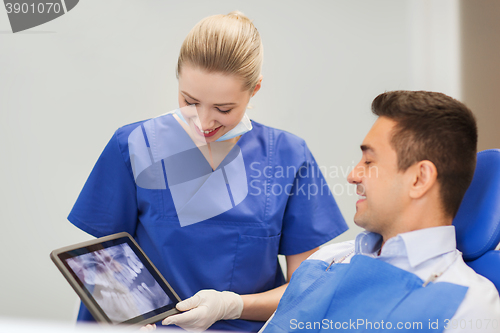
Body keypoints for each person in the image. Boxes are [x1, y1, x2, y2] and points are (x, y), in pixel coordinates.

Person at [68, 11, 347, 332]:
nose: (203, 121)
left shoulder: (289, 156)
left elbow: (306, 290)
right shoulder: (134, 145)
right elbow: (106, 265)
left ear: (254, 89)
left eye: (223, 109)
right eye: (190, 101)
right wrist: (121, 320)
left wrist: (233, 305)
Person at [261, 91, 500, 333]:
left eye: (369, 162)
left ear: (419, 179)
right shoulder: (327, 260)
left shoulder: (468, 307)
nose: (352, 175)